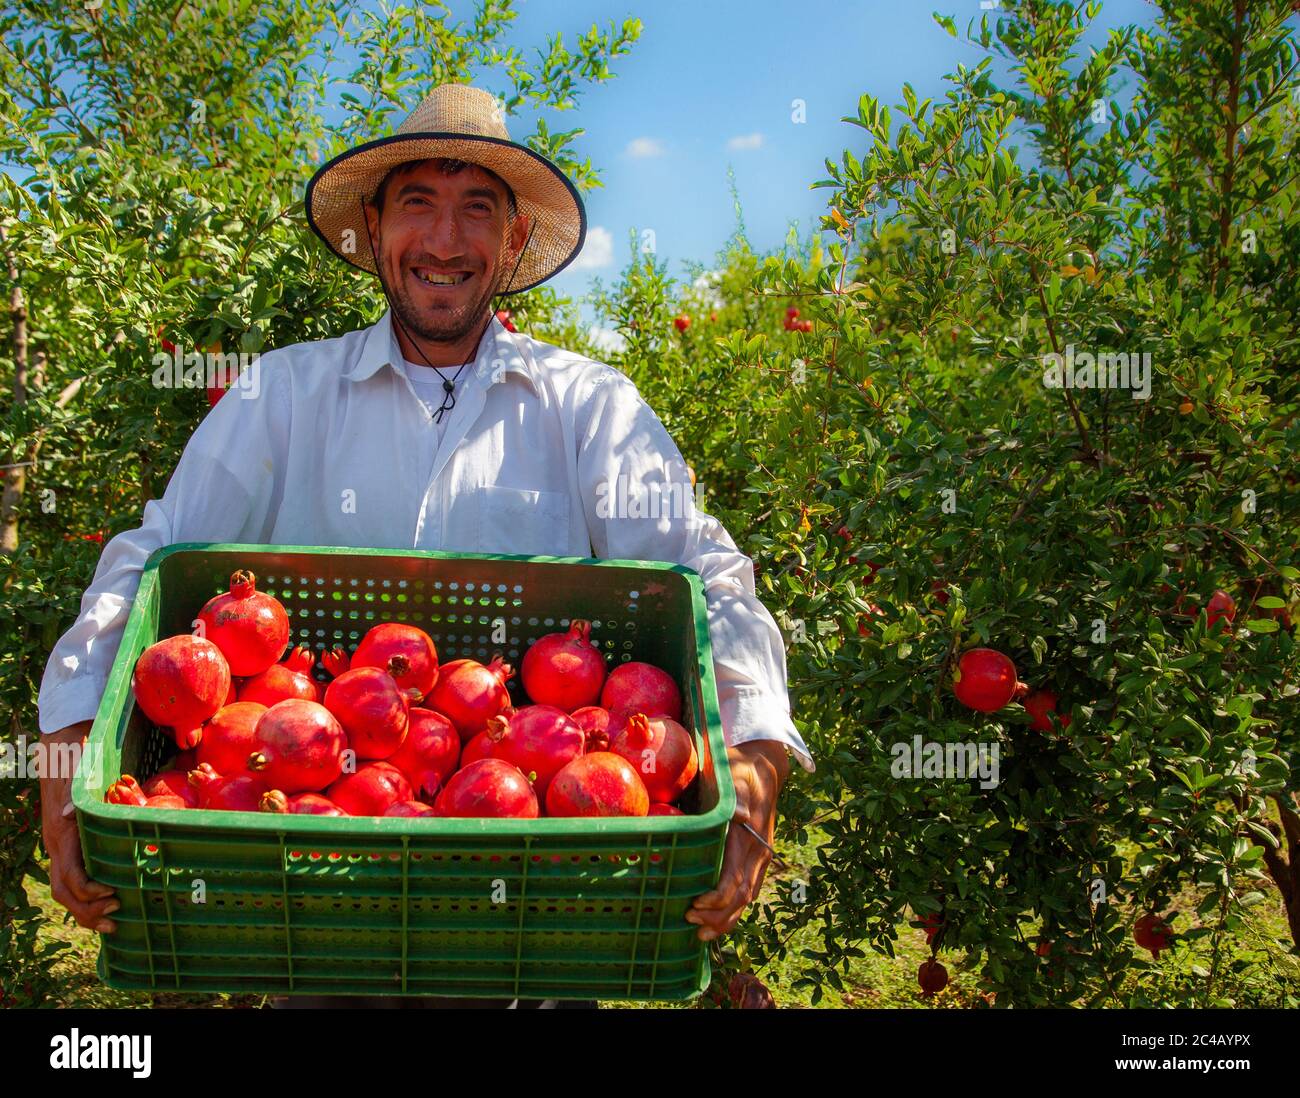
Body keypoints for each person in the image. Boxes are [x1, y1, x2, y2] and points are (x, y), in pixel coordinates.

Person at [37, 83, 815, 1009]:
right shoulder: (280, 396)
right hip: (317, 899)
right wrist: (70, 748)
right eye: (417, 204)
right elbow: (155, 556)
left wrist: (754, 758)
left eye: (476, 208)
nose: (445, 241)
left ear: (514, 241)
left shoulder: (592, 407)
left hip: (541, 908)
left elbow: (704, 576)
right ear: (372, 227)